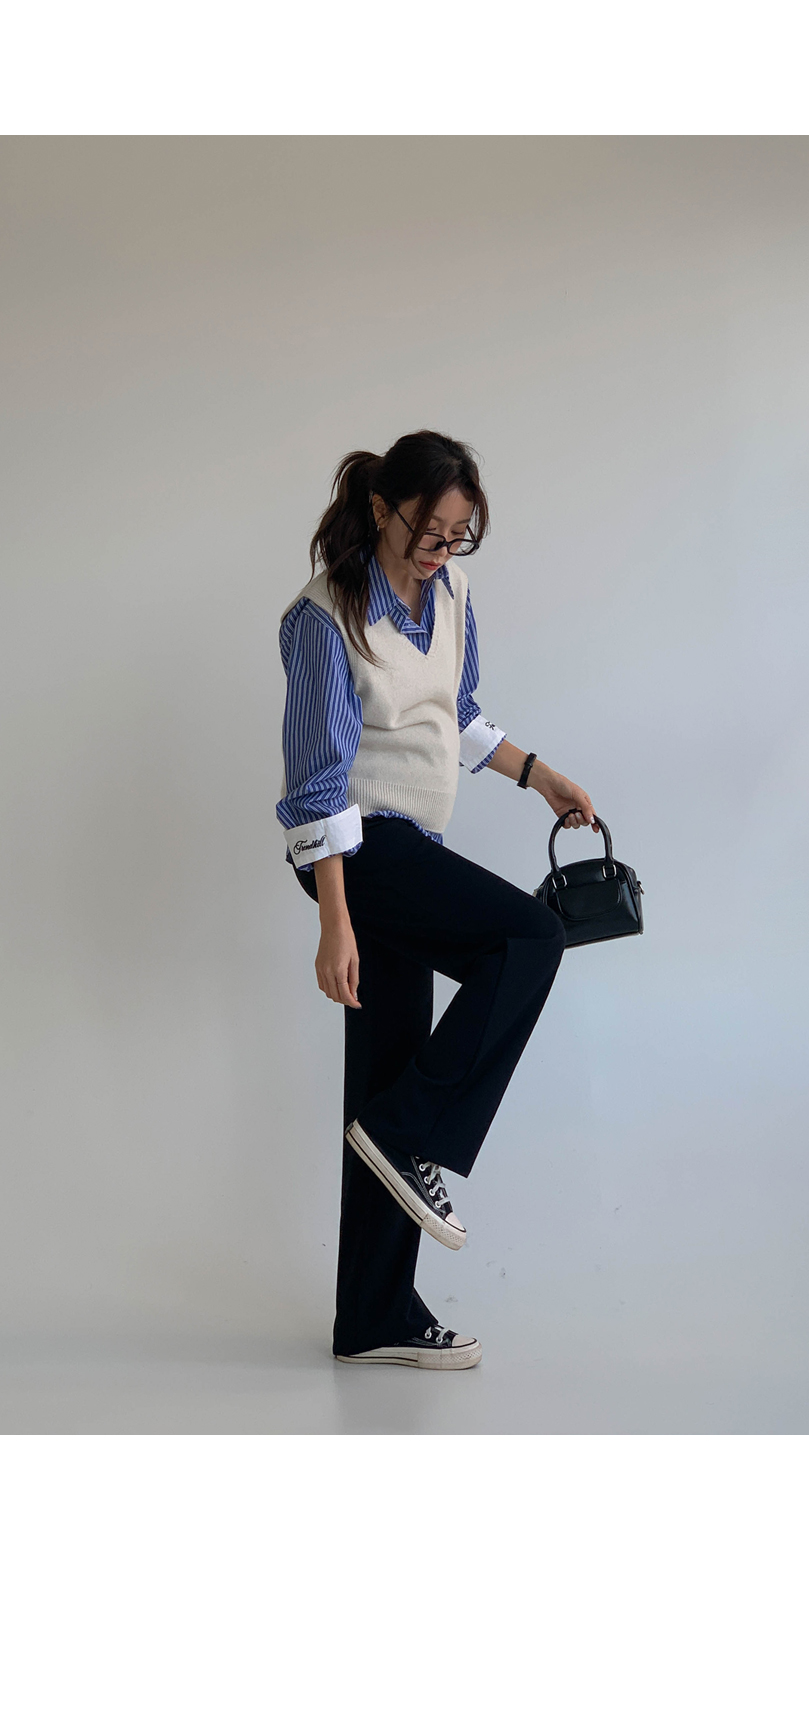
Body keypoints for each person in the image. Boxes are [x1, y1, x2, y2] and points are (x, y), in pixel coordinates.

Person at [276, 430, 597, 1370]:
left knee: (388, 1069)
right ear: (383, 509)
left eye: (459, 534)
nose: (442, 549)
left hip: (412, 847)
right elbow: (317, 783)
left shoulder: (450, 594)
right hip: (355, 850)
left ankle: (372, 1314)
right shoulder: (324, 618)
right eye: (429, 530)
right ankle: (406, 1129)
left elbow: (455, 714)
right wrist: (335, 920)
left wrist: (540, 776)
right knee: (529, 936)